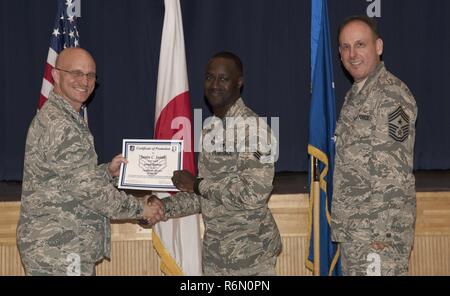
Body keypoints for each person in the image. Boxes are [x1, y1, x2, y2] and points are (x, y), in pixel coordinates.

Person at [16, 47, 162, 276]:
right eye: (75, 73)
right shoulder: (60, 125)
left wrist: (106, 172)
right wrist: (141, 208)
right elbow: (90, 191)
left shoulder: (65, 117)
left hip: (64, 247)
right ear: (55, 75)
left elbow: (68, 181)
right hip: (59, 249)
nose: (84, 81)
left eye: (90, 75)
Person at [150, 52, 282, 276]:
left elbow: (253, 195)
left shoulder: (255, 130)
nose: (214, 85)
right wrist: (162, 209)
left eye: (223, 78)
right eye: (210, 77)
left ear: (239, 82)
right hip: (215, 256)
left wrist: (197, 185)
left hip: (250, 258)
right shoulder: (210, 129)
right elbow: (204, 195)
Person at [330, 16, 417, 276]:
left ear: (378, 46)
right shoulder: (357, 94)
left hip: (376, 237)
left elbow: (392, 171)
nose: (352, 54)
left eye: (360, 44)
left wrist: (381, 234)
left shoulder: (390, 95)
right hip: (356, 232)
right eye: (345, 47)